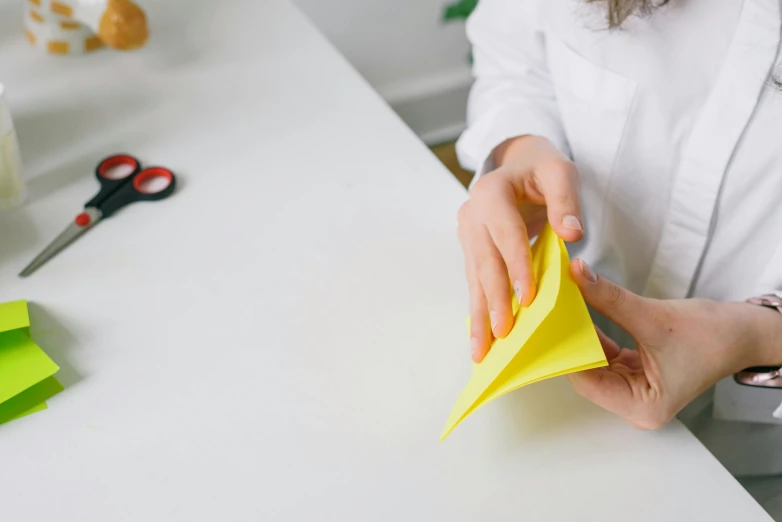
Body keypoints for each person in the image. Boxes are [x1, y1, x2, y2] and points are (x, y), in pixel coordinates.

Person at [455, 0, 782, 515]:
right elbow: (515, 55)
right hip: (556, 408)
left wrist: (760, 336)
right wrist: (522, 149)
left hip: (759, 467)